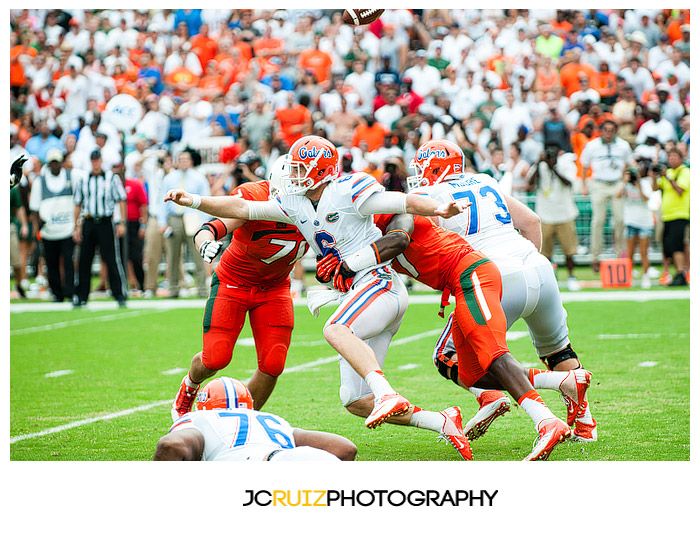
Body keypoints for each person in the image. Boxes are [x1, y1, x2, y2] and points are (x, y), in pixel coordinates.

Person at [165, 135, 474, 461]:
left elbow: (403, 203)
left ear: (320, 171)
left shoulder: (347, 191)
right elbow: (241, 207)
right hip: (348, 292)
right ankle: (441, 421)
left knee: (334, 330)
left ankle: (387, 393)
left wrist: (440, 207)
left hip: (378, 284)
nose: (294, 176)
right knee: (354, 400)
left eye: (300, 169)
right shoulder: (295, 204)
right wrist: (195, 201)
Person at [404, 139, 595, 448]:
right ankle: (585, 424)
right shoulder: (484, 180)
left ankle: (498, 396)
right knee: (558, 351)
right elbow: (531, 221)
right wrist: (528, 266)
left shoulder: (430, 194)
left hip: (494, 277)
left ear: (433, 167)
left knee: (450, 357)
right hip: (537, 266)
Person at [170, 157, 308, 418]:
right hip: (234, 283)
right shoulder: (255, 197)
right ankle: (188, 388)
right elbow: (213, 226)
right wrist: (204, 244)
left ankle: (246, 418)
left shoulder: (319, 206)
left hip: (275, 288)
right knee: (215, 358)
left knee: (273, 362)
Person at [155, 376, 357, 461]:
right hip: (315, 460)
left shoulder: (200, 418)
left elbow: (170, 445)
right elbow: (346, 448)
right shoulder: (271, 419)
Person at [73, 149, 128, 307]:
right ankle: (81, 296)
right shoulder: (84, 179)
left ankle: (119, 294)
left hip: (105, 221)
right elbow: (78, 203)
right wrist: (76, 226)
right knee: (84, 260)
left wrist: (121, 222)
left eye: (97, 160)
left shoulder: (111, 178)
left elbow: (121, 199)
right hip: (89, 222)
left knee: (111, 259)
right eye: (93, 160)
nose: (95, 163)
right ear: (90, 161)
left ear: (101, 161)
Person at [580, 120, 634, 272]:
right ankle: (595, 256)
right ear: (601, 131)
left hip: (616, 183)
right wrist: (584, 185)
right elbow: (584, 165)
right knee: (598, 220)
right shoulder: (592, 146)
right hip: (598, 184)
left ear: (616, 131)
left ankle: (620, 256)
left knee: (620, 220)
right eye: (606, 130)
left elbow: (628, 165)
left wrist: (623, 183)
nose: (608, 133)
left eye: (611, 130)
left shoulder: (623, 145)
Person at [28, 149, 81, 302]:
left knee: (68, 261)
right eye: (52, 163)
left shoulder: (71, 177)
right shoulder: (40, 181)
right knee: (51, 263)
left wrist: (77, 225)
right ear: (49, 165)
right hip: (49, 230)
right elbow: (35, 209)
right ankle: (57, 293)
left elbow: (77, 203)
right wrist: (38, 229)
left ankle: (70, 291)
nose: (55, 165)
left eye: (57, 162)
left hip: (67, 228)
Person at [529, 144, 581, 291]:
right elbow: (530, 183)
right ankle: (547, 280)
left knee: (569, 251)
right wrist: (540, 163)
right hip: (545, 215)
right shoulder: (540, 166)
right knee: (545, 253)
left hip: (565, 213)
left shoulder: (566, 165)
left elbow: (569, 183)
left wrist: (553, 169)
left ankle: (571, 276)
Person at [159, 149, 210, 298]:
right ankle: (173, 288)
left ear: (191, 161)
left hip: (192, 216)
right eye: (180, 159)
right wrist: (163, 222)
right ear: (177, 161)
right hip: (175, 217)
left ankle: (201, 288)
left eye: (186, 159)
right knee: (173, 255)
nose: (183, 162)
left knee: (197, 254)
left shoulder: (199, 178)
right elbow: (162, 202)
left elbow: (205, 199)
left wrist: (204, 223)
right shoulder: (169, 178)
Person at [652, 148, 690, 286]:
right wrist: (654, 175)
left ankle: (681, 273)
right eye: (670, 157)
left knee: (677, 246)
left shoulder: (685, 172)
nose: (672, 159)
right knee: (668, 247)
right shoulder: (668, 172)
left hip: (680, 214)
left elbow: (680, 190)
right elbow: (655, 188)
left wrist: (668, 177)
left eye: (674, 156)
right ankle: (677, 272)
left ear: (681, 158)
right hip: (667, 215)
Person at [616, 163, 655, 289]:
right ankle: (628, 276)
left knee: (644, 251)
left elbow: (646, 198)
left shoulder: (644, 184)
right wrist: (624, 182)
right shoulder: (625, 185)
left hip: (644, 221)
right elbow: (617, 196)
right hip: (630, 221)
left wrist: (638, 186)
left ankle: (645, 276)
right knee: (630, 252)